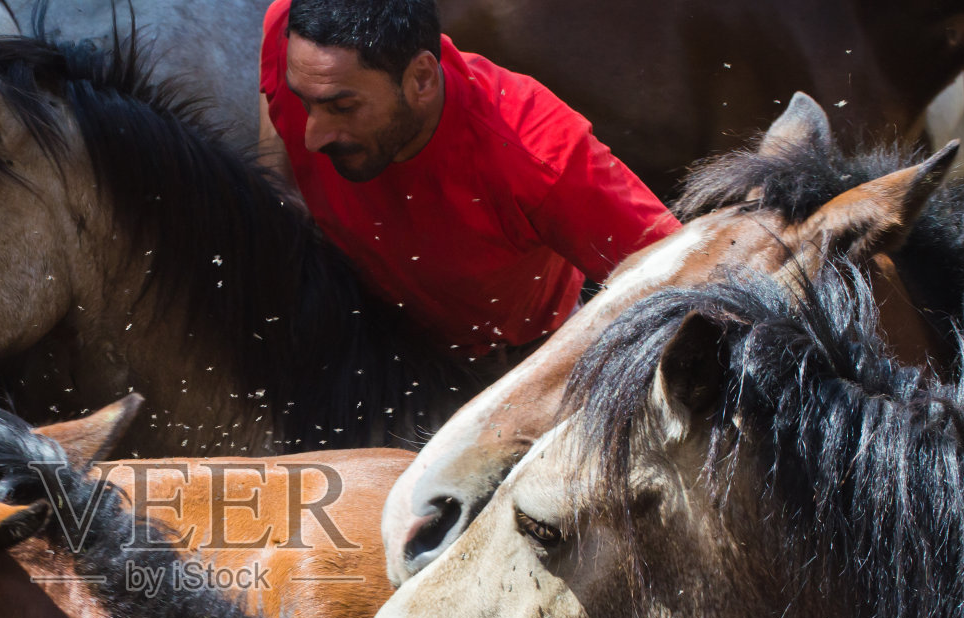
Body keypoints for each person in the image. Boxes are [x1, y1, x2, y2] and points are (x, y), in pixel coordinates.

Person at [258, 0, 680, 364]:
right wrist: (281, 204)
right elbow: (274, 96)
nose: (312, 138)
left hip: (506, 366)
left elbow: (685, 276)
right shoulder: (293, 33)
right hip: (355, 319)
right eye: (303, 100)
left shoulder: (541, 156)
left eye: (343, 107)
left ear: (421, 79)